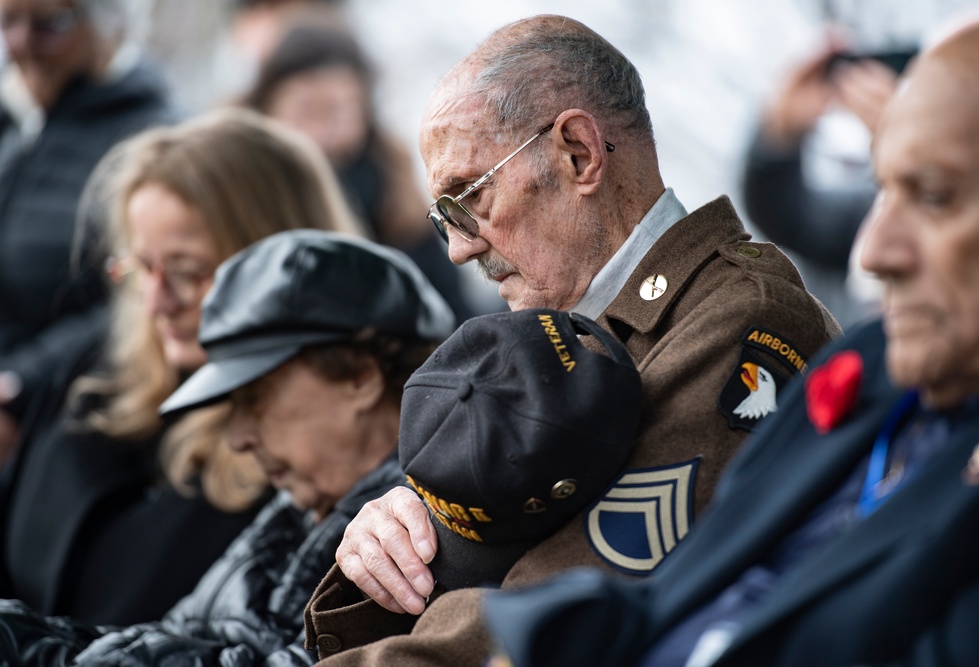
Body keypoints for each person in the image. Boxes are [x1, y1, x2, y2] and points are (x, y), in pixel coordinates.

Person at [300, 14, 840, 666]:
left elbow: (553, 620)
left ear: (579, 154)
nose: (460, 246)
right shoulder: (571, 335)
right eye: (442, 217)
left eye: (468, 197)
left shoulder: (743, 327)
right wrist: (391, 537)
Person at [484, 14, 979, 667]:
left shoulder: (747, 319)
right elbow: (670, 597)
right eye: (881, 189)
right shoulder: (869, 366)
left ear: (581, 155)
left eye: (933, 197)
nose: (873, 251)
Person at [0, 230, 454, 666]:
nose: (238, 438)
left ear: (360, 375)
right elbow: (170, 638)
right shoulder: (291, 514)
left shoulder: (423, 531)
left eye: (254, 398)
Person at [0, 108, 359, 625]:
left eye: (189, 273)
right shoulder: (92, 373)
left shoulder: (314, 453)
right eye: (142, 268)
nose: (156, 301)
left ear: (280, 263)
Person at [0, 0, 176, 464]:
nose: (21, 45)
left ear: (107, 23)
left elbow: (141, 295)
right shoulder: (21, 126)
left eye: (47, 25)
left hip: (76, 424)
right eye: (8, 23)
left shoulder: (151, 137)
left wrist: (21, 383)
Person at [245, 22, 478, 322]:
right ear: (267, 111)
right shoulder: (238, 192)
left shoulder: (393, 191)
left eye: (344, 110)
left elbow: (452, 312)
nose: (328, 131)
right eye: (309, 110)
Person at [740, 38, 903, 327]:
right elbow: (791, 218)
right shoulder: (863, 209)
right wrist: (782, 134)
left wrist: (911, 149)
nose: (871, 257)